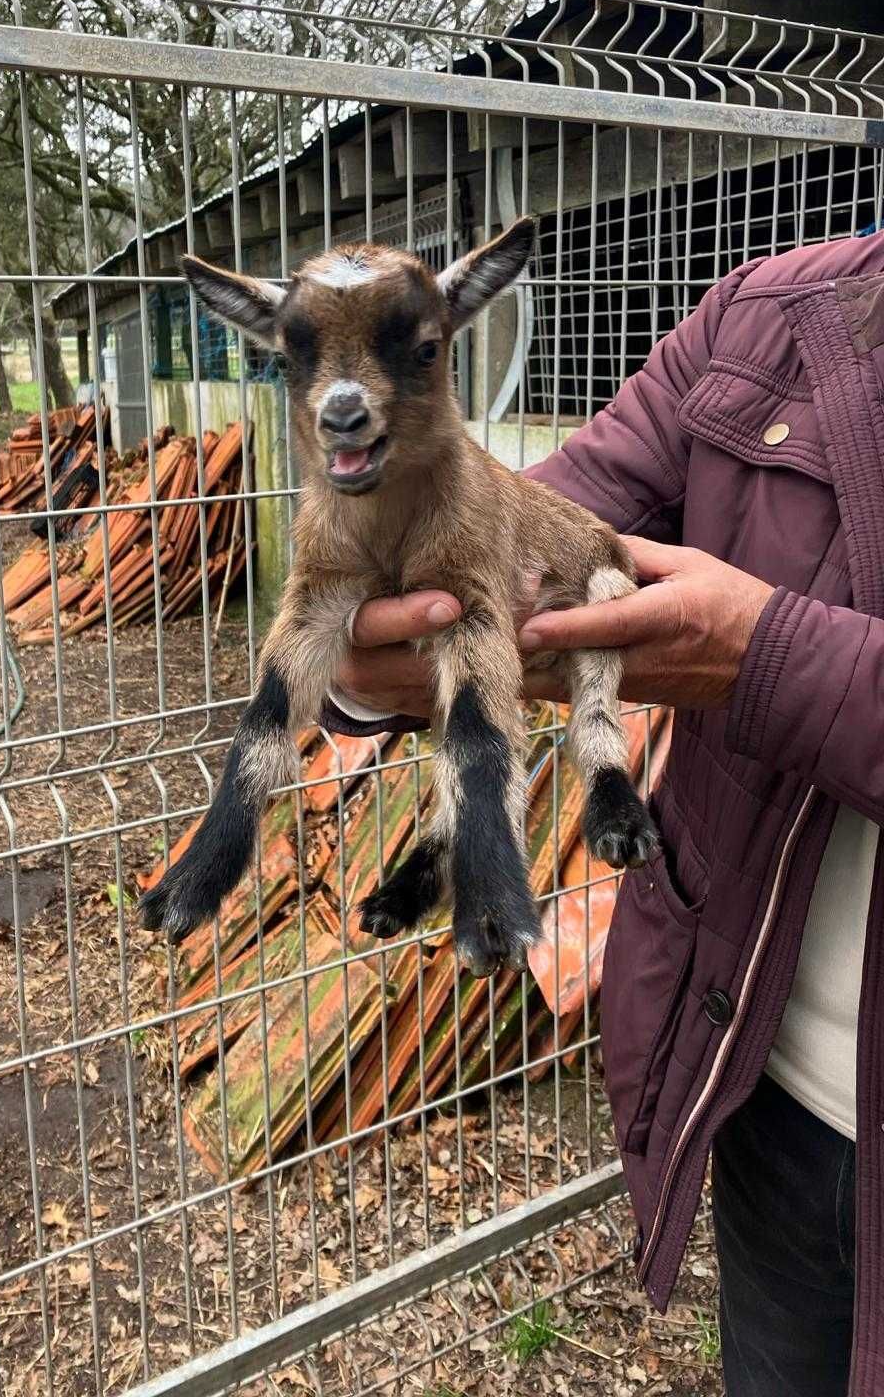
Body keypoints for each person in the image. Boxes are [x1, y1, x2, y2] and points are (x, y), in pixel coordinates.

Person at [324, 228, 884, 1397]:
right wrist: (360, 637)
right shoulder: (770, 317)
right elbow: (548, 517)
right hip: (772, 1087)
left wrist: (765, 659)